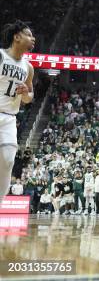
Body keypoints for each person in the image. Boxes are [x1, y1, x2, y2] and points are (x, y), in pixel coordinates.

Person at [0, 21, 35, 207]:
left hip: (9, 118)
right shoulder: (0, 55)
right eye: (29, 34)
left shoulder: (28, 68)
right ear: (17, 37)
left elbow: (30, 98)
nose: (33, 39)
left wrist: (25, 93)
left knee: (7, 160)